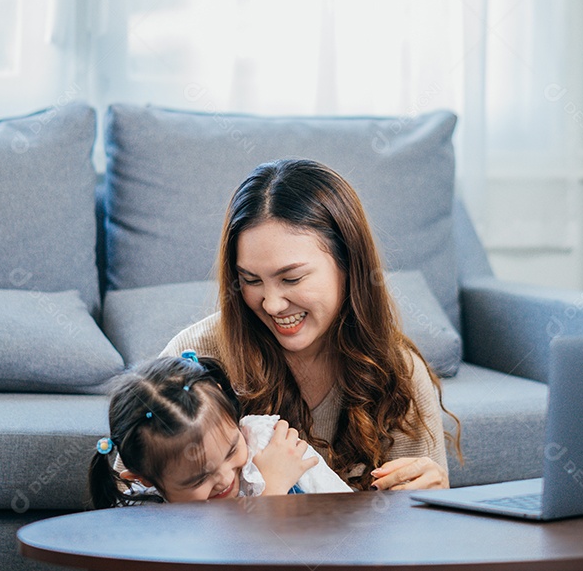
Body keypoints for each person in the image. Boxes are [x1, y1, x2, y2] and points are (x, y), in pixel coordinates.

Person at [161, 158, 460, 491]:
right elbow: (131, 507)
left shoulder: (398, 372)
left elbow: (418, 529)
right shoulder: (194, 359)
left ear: (349, 265)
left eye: (292, 278)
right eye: (250, 280)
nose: (271, 304)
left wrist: (433, 499)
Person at [87, 352, 352, 508]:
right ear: (145, 479)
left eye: (232, 450)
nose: (226, 479)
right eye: (199, 478)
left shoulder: (265, 444)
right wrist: (272, 492)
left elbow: (347, 511)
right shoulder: (152, 520)